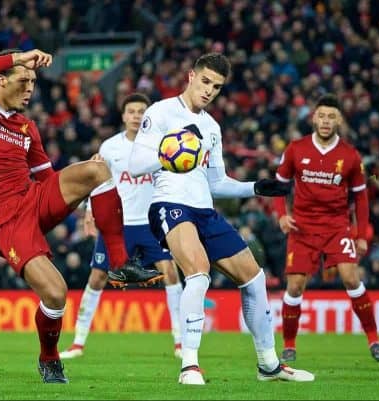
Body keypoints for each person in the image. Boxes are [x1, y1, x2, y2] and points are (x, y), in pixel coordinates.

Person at [0, 49, 162, 384]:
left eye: (34, 82)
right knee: (55, 293)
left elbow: (49, 180)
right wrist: (20, 56)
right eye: (23, 80)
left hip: (33, 200)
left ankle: (119, 264)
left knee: (97, 169)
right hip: (2, 218)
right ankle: (49, 359)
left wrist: (88, 198)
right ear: (2, 79)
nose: (30, 89)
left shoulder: (26, 127)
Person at [128, 52, 315, 384]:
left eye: (217, 86)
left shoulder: (211, 127)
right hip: (170, 203)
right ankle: (189, 365)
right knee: (199, 273)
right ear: (191, 76)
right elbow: (137, 165)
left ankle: (268, 365)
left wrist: (255, 187)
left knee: (254, 278)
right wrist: (169, 152)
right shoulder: (160, 112)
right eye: (205, 82)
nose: (210, 90)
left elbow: (216, 182)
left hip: (204, 210)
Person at [59, 93, 182, 360]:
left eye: (141, 111)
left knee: (170, 273)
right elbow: (98, 182)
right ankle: (78, 343)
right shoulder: (109, 147)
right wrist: (90, 211)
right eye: (132, 111)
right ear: (124, 115)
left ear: (147, 116)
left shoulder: (161, 145)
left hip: (151, 223)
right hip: (118, 224)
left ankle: (180, 342)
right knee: (97, 277)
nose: (137, 115)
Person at [273, 94, 379, 363]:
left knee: (351, 277)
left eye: (331, 117)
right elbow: (279, 185)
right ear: (313, 118)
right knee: (295, 286)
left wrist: (361, 234)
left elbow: (360, 197)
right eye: (322, 116)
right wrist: (282, 215)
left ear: (339, 120)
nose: (326, 121)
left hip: (337, 227)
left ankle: (374, 340)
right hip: (302, 227)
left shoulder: (350, 155)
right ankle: (289, 345)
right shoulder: (295, 149)